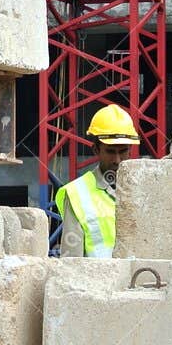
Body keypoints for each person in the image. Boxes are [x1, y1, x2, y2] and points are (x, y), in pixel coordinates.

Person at [54, 105, 139, 258]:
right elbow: (72, 260)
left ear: (130, 149)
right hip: (97, 280)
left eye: (123, 151)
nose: (117, 160)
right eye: (110, 151)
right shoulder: (77, 193)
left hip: (141, 279)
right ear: (96, 150)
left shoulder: (142, 190)